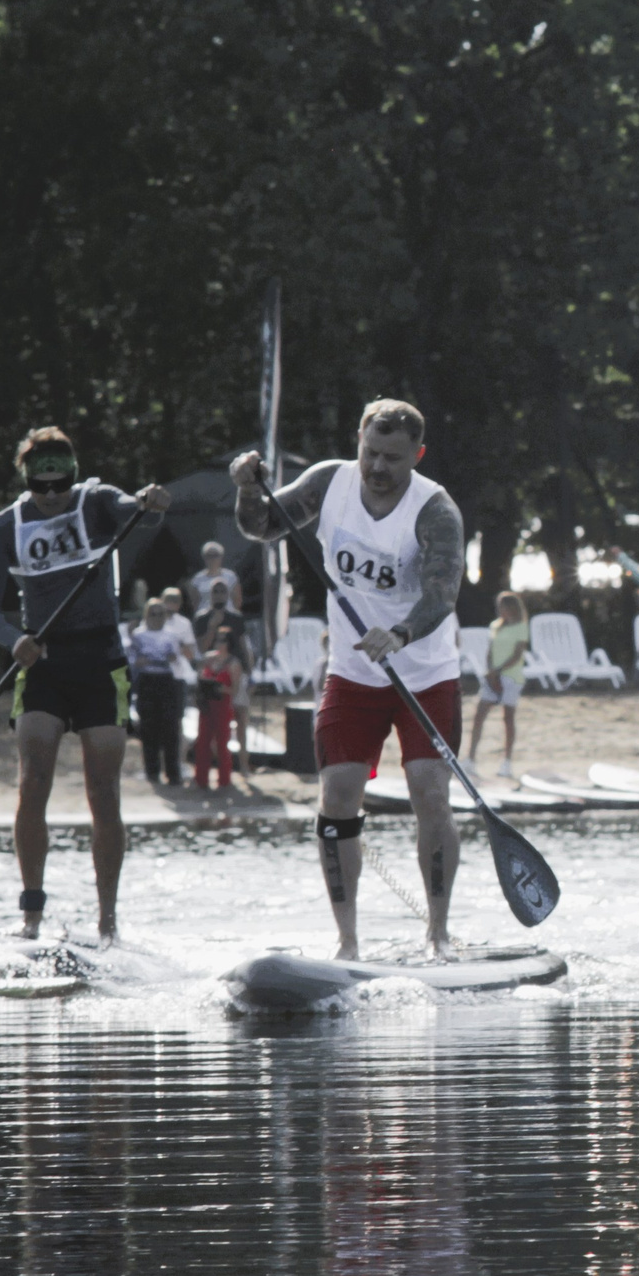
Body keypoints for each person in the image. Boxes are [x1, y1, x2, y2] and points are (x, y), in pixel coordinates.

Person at [232, 399, 464, 958]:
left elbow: (442, 593)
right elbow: (260, 526)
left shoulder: (435, 510)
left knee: (429, 792)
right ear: (358, 440)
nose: (378, 468)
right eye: (371, 453)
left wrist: (400, 634)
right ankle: (348, 942)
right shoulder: (328, 483)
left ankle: (437, 933)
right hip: (353, 670)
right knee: (337, 795)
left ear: (418, 456)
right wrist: (246, 488)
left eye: (393, 459)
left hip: (425, 674)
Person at [0, 427, 171, 940]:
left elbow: (135, 510)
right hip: (42, 664)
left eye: (61, 484)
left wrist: (148, 501)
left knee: (103, 792)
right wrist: (14, 640)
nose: (52, 495)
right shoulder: (5, 526)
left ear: (73, 475)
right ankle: (31, 916)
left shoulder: (96, 501)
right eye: (41, 487)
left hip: (101, 663)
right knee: (33, 782)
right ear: (27, 481)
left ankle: (107, 922)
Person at [467, 592, 528, 780]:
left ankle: (507, 762)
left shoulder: (521, 627)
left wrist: (499, 672)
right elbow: (490, 651)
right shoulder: (495, 626)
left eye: (503, 606)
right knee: (479, 716)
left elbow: (517, 655)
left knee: (508, 718)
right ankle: (470, 759)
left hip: (511, 677)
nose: (500, 610)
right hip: (492, 676)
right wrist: (491, 673)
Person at [129, 599, 187, 785]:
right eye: (153, 614)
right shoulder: (138, 635)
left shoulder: (171, 635)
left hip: (167, 681)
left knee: (170, 728)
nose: (157, 618)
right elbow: (132, 660)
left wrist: (172, 657)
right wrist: (139, 662)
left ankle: (173, 773)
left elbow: (178, 661)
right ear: (147, 615)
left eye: (161, 614)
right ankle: (152, 771)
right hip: (147, 681)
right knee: (148, 728)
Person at [192, 615, 249, 793]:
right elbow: (199, 675)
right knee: (203, 741)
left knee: (222, 742)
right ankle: (201, 779)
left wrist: (219, 687)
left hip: (222, 704)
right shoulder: (208, 659)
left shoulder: (233, 663)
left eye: (223, 640)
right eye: (217, 640)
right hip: (206, 704)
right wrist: (205, 681)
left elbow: (234, 689)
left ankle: (224, 780)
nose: (219, 643)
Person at [192, 541, 243, 616]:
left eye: (215, 555)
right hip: (205, 617)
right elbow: (195, 602)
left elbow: (237, 600)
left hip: (228, 616)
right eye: (209, 556)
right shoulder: (197, 579)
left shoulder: (231, 576)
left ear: (221, 557)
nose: (212, 559)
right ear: (204, 558)